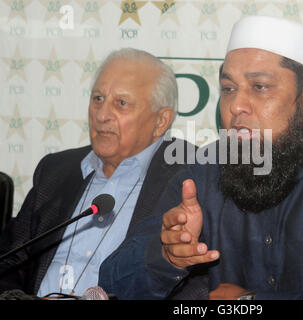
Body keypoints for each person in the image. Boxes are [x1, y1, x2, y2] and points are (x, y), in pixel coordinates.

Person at [99, 16, 303, 299]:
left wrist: (251, 304)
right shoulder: (204, 169)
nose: (235, 106)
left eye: (259, 87)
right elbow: (112, 279)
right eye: (228, 89)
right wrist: (167, 256)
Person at [0, 48, 196, 298]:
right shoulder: (56, 170)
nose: (102, 115)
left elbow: (194, 285)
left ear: (161, 121)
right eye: (98, 99)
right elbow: (7, 261)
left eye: (121, 104)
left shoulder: (190, 177)